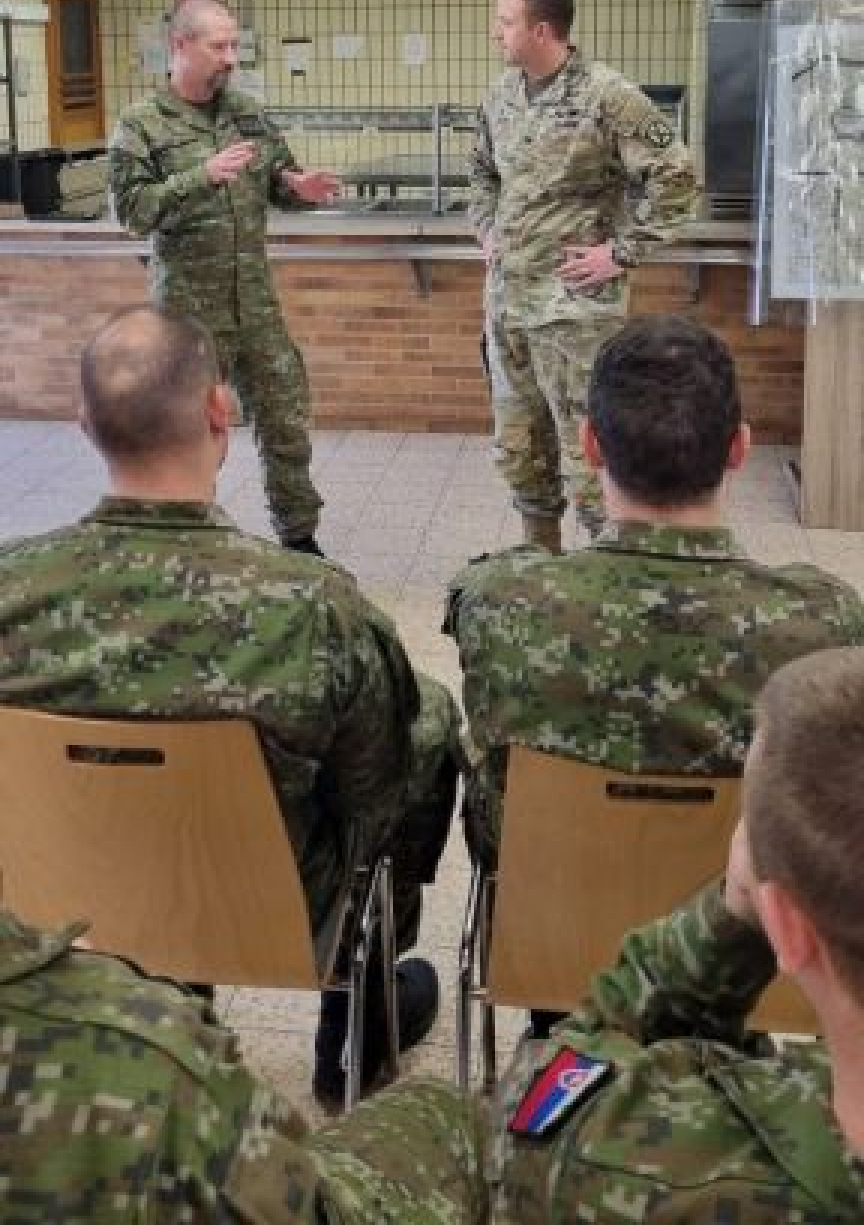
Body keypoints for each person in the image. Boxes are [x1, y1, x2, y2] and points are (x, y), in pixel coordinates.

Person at [8, 648, 864, 1219]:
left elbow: (554, 1086)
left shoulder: (621, 1160)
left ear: (784, 926)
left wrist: (728, 913)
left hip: (253, 912)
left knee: (444, 1116)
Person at [0, 305, 461, 1107]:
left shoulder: (11, 586)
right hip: (272, 907)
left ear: (83, 425)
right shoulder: (313, 607)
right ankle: (356, 1020)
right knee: (429, 723)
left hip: (58, 897)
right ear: (221, 410)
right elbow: (375, 791)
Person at [444, 314, 864, 869]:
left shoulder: (499, 601)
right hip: (743, 914)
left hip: (547, 905)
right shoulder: (827, 622)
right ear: (739, 449)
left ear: (590, 446)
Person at [469, 0, 697, 548]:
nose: (495, 33)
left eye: (505, 22)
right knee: (519, 449)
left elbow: (678, 178)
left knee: (589, 454)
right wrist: (487, 229)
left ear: (542, 30)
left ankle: (606, 567)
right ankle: (541, 560)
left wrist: (621, 253)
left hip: (574, 311)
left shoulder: (606, 95)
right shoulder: (500, 95)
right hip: (508, 307)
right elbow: (482, 174)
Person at [109, 0, 339, 553]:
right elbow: (132, 214)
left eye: (235, 45)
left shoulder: (246, 114)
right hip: (188, 317)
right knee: (185, 434)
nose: (231, 58)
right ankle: (186, 543)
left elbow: (280, 177)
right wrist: (201, 177)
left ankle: (299, 540)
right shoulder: (142, 125)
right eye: (219, 46)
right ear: (179, 46)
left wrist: (300, 188)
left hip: (255, 308)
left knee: (286, 420)